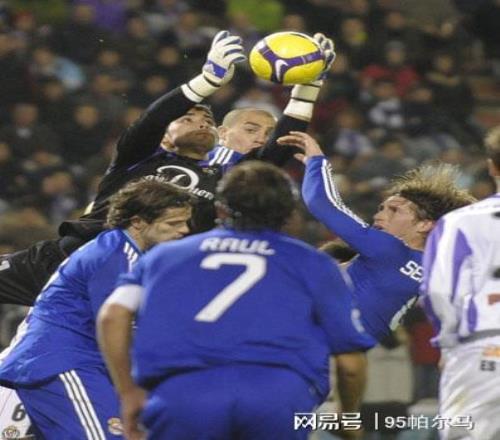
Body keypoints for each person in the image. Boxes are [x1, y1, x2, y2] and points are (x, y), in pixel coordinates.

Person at [0, 30, 335, 307]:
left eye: (206, 120)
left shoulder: (228, 179)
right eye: (187, 118)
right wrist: (207, 80)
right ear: (165, 134)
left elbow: (276, 151)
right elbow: (152, 119)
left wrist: (307, 87)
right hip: (65, 257)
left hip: (140, 281)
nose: (200, 122)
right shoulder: (138, 157)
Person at [97, 161, 376, 440]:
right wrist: (346, 417)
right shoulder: (314, 263)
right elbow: (350, 365)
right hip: (275, 398)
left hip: (183, 396)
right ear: (290, 213)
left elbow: (112, 315)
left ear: (220, 209)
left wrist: (128, 393)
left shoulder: (165, 256)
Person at [276, 130, 474, 415]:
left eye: (394, 210)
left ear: (425, 225)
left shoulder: (390, 251)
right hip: (322, 363)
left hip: (300, 354)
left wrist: (318, 161)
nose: (380, 215)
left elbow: (323, 203)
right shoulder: (435, 266)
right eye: (381, 208)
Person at [0, 179, 193, 440]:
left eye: (185, 222)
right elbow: (120, 327)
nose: (185, 230)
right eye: (173, 223)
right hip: (63, 363)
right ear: (138, 221)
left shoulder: (129, 252)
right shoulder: (115, 256)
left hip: (74, 364)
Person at [421, 126, 500, 440]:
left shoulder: (460, 221)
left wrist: (448, 342)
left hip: (484, 348)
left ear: (492, 167)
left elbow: (439, 292)